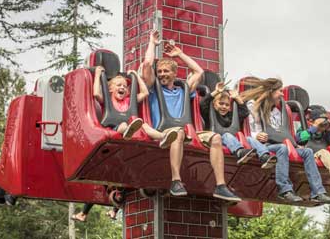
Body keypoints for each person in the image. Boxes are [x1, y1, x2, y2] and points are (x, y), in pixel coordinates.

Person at [141, 30, 241, 202]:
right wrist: (152, 43)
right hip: (166, 131)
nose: (162, 74)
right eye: (160, 71)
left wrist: (179, 54)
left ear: (174, 73)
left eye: (166, 71)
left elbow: (199, 72)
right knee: (178, 133)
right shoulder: (154, 88)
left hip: (187, 132)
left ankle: (221, 186)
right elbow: (146, 65)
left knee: (216, 138)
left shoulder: (184, 89)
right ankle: (176, 181)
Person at [240, 77, 330, 204]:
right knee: (282, 148)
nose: (281, 94)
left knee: (307, 152)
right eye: (279, 91)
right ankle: (284, 189)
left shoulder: (278, 112)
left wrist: (295, 145)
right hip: (266, 146)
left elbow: (282, 132)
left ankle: (317, 192)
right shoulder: (255, 107)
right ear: (270, 92)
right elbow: (250, 131)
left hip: (283, 145)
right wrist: (258, 135)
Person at [93, 52, 178, 147]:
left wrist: (136, 76)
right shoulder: (107, 99)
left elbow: (145, 93)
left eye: (125, 86)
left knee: (144, 125)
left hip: (128, 125)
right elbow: (96, 93)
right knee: (123, 126)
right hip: (113, 127)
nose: (122, 88)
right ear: (110, 89)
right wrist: (97, 75)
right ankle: (127, 131)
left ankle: (163, 137)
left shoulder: (128, 100)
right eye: (119, 85)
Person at [199, 82, 277, 169]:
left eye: (227, 105)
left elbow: (244, 112)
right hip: (217, 139)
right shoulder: (209, 113)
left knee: (249, 138)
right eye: (221, 103)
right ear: (214, 104)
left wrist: (237, 97)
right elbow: (203, 103)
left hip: (232, 141)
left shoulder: (230, 115)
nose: (224, 107)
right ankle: (240, 152)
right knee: (227, 135)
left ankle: (265, 156)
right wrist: (216, 91)